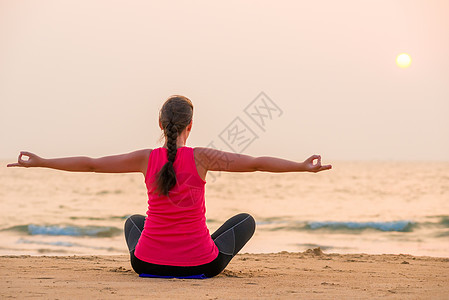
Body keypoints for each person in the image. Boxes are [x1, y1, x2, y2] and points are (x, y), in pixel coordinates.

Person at [7, 95, 332, 278]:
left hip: (146, 264)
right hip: (200, 265)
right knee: (245, 220)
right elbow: (258, 162)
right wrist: (303, 167)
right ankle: (194, 258)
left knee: (134, 220)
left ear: (160, 124)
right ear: (191, 125)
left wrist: (41, 161)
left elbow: (92, 164)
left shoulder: (144, 158)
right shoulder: (203, 158)